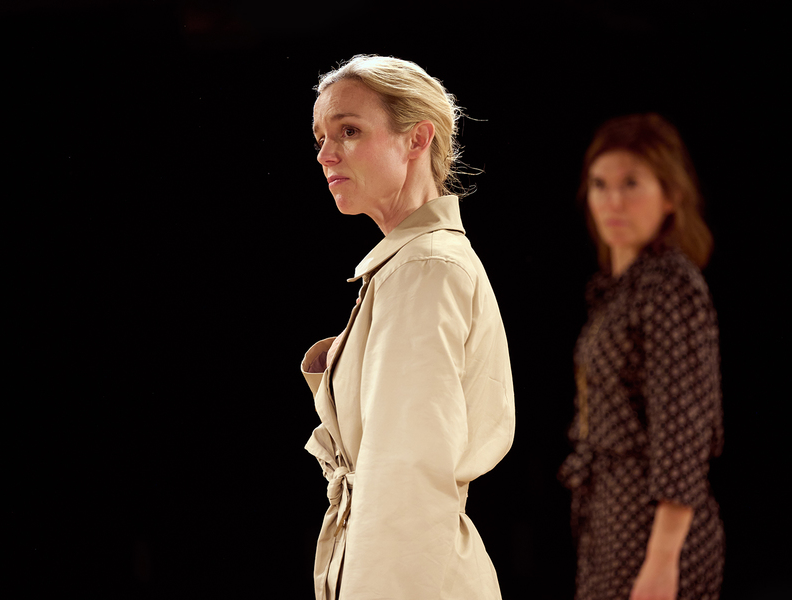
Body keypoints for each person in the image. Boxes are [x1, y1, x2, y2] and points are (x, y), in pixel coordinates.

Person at [300, 55, 515, 600]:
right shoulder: (414, 264)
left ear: (417, 139)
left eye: (349, 131)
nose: (325, 154)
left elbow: (407, 476)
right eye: (321, 137)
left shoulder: (425, 268)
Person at [559, 113, 725, 600]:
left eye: (631, 183)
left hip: (652, 527)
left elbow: (682, 432)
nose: (613, 201)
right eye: (600, 185)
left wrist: (662, 560)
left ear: (670, 195)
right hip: (610, 515)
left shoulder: (669, 287)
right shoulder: (619, 291)